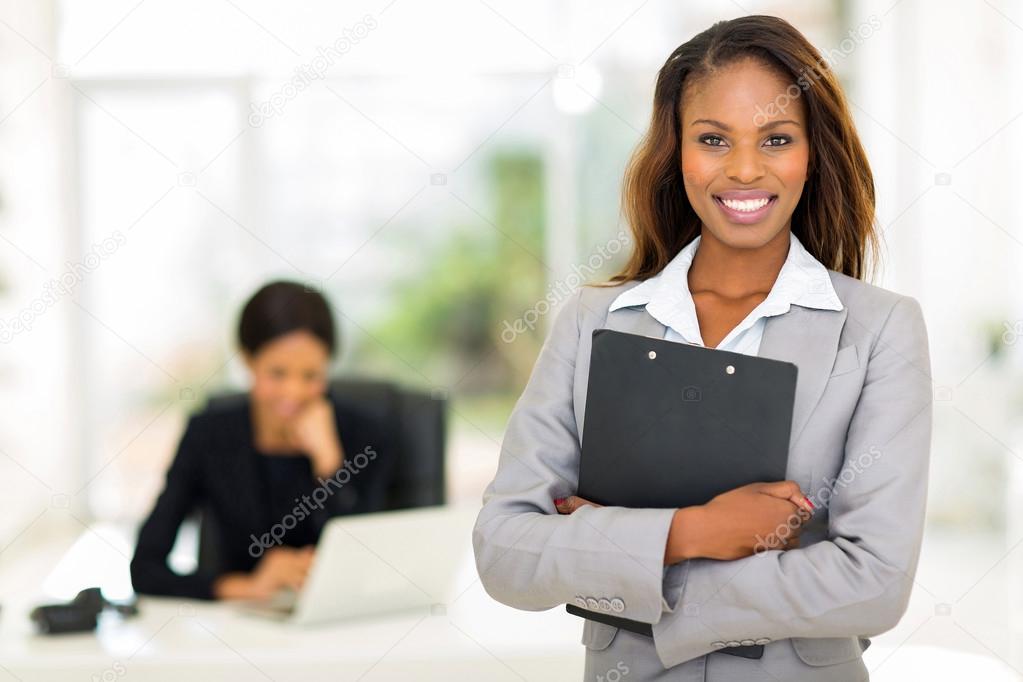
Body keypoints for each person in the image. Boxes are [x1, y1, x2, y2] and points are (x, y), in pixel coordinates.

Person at [472, 15, 932, 681]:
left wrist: (618, 557)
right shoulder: (591, 322)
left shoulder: (879, 330)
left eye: (775, 139)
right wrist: (693, 532)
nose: (744, 169)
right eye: (713, 139)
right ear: (675, 151)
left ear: (812, 153)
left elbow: (873, 580)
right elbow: (505, 552)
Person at [131, 281, 395, 600]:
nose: (293, 393)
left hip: (343, 624)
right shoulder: (208, 435)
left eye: (310, 376)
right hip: (241, 628)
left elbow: (376, 565)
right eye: (277, 374)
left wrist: (330, 466)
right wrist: (246, 587)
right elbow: (145, 568)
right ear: (248, 361)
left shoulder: (366, 435)